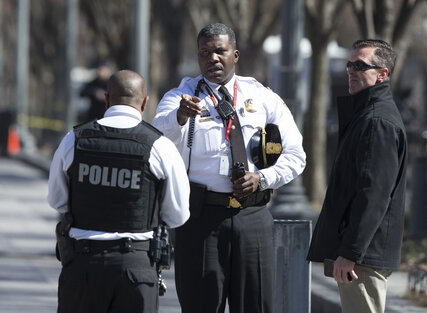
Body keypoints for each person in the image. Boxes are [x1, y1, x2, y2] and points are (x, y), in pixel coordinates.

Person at [152, 23, 306, 313]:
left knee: (256, 305)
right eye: (205, 53)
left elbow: (296, 154)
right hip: (201, 220)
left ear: (235, 55)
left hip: (253, 217)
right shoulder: (181, 96)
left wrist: (263, 178)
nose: (212, 59)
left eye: (220, 51)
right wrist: (179, 117)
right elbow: (156, 140)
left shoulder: (261, 97)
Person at [48, 70, 190, 313]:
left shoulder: (75, 139)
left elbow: (57, 201)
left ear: (106, 99)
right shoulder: (160, 146)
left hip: (82, 265)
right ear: (145, 103)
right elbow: (177, 215)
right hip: (136, 268)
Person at [307, 39, 408, 313]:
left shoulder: (377, 122)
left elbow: (373, 195)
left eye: (360, 65)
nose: (350, 70)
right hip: (363, 255)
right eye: (349, 64)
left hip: (363, 258)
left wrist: (350, 253)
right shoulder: (367, 116)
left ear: (382, 74)